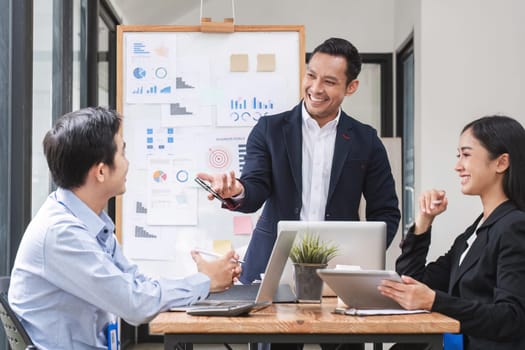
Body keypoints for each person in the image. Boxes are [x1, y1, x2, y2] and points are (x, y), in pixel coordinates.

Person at [198, 37, 400, 350]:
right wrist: (236, 190)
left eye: (330, 81)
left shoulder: (365, 140)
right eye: (311, 75)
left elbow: (386, 211)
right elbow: (255, 188)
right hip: (275, 269)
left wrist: (365, 263)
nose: (316, 88)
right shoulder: (270, 129)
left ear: (351, 87)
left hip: (339, 273)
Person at [8, 107, 242, 350]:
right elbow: (134, 304)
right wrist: (204, 281)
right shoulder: (61, 233)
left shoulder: (90, 222)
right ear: (101, 171)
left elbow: (135, 283)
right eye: (122, 152)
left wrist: (202, 281)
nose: (128, 163)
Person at [379, 115, 525, 349]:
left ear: (501, 162)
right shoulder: (475, 231)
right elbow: (412, 281)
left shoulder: (514, 226)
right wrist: (424, 221)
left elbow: (511, 318)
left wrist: (435, 301)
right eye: (459, 156)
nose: (457, 166)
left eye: (466, 155)